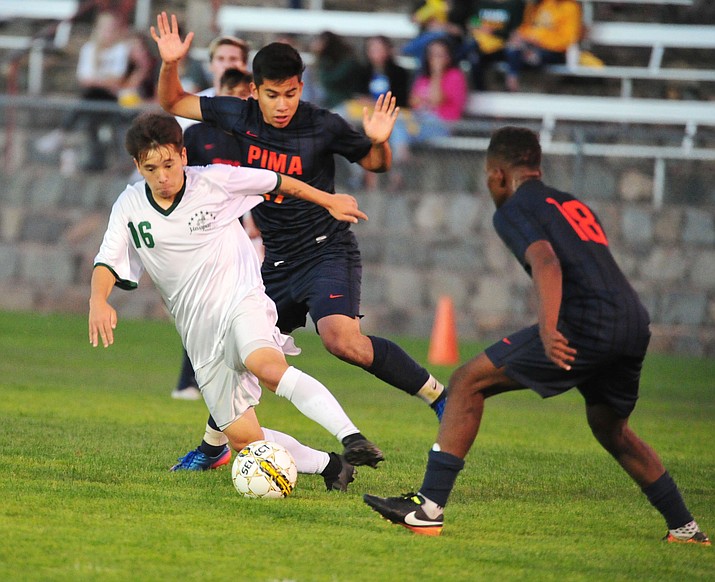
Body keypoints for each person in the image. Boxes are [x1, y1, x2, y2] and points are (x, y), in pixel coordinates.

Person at [363, 126, 711, 545]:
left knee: (467, 381)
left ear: (497, 175)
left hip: (586, 322)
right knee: (610, 427)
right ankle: (685, 528)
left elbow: (546, 262)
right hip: (632, 321)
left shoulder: (512, 208)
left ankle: (428, 509)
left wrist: (549, 328)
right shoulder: (568, 202)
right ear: (537, 165)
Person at [150, 12, 447, 471]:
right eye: (272, 95)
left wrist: (381, 143)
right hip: (275, 263)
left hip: (326, 248)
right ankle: (212, 448)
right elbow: (172, 99)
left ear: (301, 87)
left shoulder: (322, 124)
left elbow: (376, 163)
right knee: (238, 354)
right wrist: (170, 63)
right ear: (254, 89)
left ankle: (438, 397)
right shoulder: (238, 113)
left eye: (291, 93)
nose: (282, 104)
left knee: (342, 340)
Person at [89, 111, 384, 489]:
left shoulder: (214, 181)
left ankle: (351, 436)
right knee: (244, 439)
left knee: (263, 363)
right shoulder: (129, 205)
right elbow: (106, 262)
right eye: (151, 168)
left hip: (241, 302)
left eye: (168, 163)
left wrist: (327, 200)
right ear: (137, 166)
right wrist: (99, 300)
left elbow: (278, 181)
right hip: (198, 332)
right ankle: (332, 466)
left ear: (182, 154)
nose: (162, 176)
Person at [172, 67, 258, 402]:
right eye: (235, 97)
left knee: (237, 310)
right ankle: (189, 380)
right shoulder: (196, 135)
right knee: (204, 308)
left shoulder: (252, 138)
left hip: (240, 235)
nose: (240, 104)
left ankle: (233, 380)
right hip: (201, 234)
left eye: (244, 98)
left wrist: (254, 221)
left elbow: (258, 183)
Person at [36, 10, 133, 171]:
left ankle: (63, 130)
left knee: (94, 109)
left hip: (112, 99)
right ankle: (97, 160)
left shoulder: (121, 49)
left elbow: (116, 79)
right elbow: (85, 79)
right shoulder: (90, 48)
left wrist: (99, 80)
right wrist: (105, 81)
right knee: (92, 118)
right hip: (95, 96)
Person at [503, 0, 582, 92]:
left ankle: (519, 80)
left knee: (533, 56)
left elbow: (569, 39)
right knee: (512, 47)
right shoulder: (539, 4)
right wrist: (521, 36)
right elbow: (527, 27)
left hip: (554, 50)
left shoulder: (570, 7)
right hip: (531, 45)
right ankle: (512, 80)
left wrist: (540, 41)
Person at [176, 34, 250, 131]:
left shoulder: (255, 107)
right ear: (210, 65)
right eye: (220, 59)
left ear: (245, 65)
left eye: (233, 59)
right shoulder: (192, 105)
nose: (227, 65)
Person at [464, 0, 526, 91]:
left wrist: (493, 31)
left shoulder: (514, 5)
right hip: (483, 44)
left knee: (513, 51)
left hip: (503, 45)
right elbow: (472, 22)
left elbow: (516, 30)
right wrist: (478, 27)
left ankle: (511, 87)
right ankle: (480, 89)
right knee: (473, 56)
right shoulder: (482, 4)